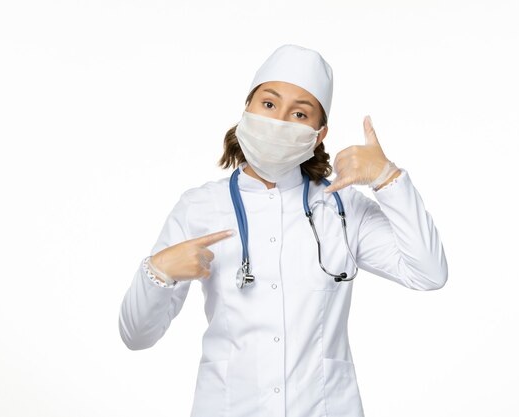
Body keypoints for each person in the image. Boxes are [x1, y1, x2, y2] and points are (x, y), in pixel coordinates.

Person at [118, 44, 448, 417]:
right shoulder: (199, 207)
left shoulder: (343, 208)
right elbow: (137, 336)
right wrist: (157, 271)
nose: (279, 121)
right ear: (247, 111)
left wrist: (388, 179)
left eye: (300, 113)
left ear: (319, 134)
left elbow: (429, 273)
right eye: (269, 105)